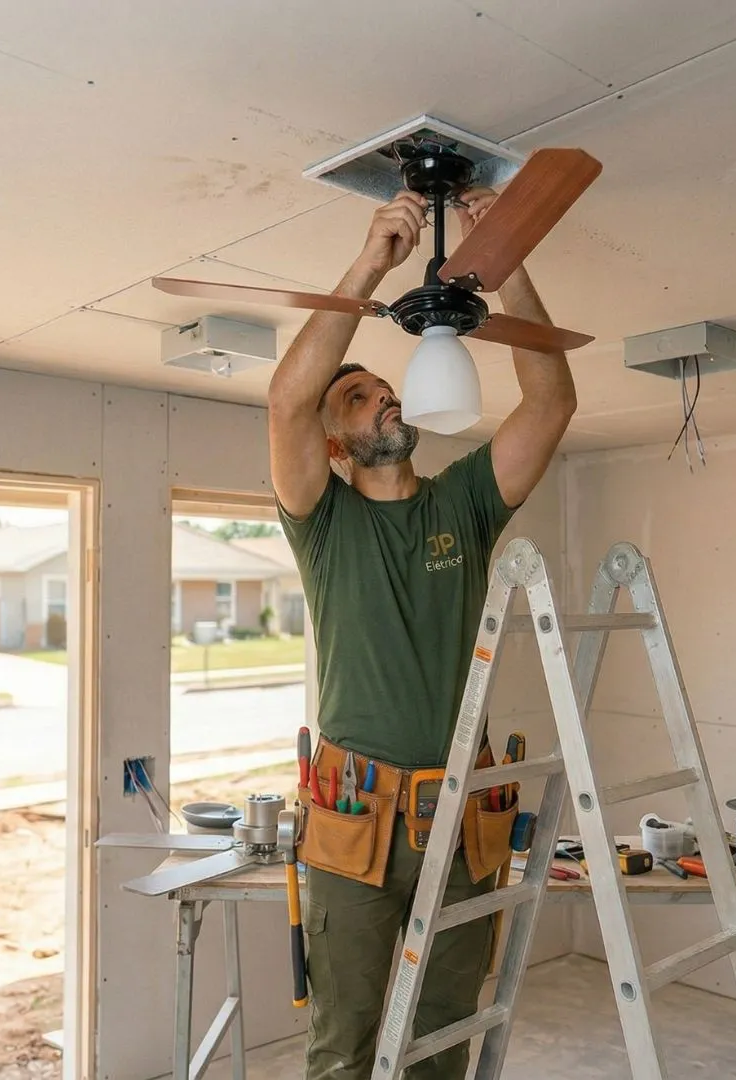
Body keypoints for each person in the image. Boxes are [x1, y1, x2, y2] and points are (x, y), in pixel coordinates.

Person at [271, 186, 577, 1079]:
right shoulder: (323, 523)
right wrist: (373, 264)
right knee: (345, 1043)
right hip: (355, 822)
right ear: (336, 446)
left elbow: (551, 404)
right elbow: (286, 404)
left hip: (460, 815)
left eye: (386, 388)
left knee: (443, 1031)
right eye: (361, 398)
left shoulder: (464, 504)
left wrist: (510, 272)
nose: (385, 399)